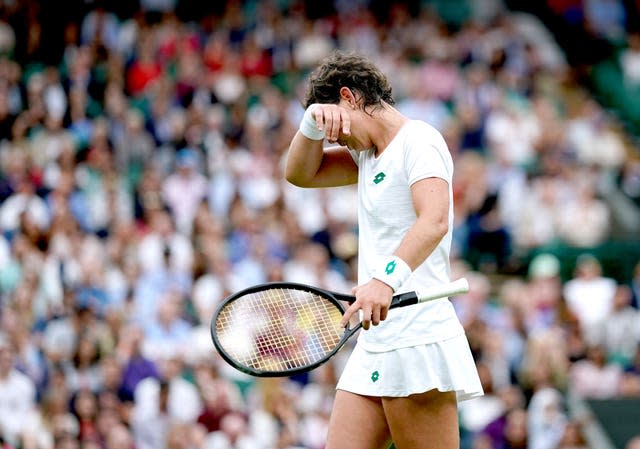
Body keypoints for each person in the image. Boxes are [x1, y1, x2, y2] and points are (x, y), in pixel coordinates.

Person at [284, 50, 483, 449]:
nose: (335, 141)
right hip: (377, 340)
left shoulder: (420, 140)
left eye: (334, 130)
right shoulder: (365, 156)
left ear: (349, 98)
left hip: (418, 340)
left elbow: (435, 221)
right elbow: (299, 173)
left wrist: (385, 281)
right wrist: (309, 123)